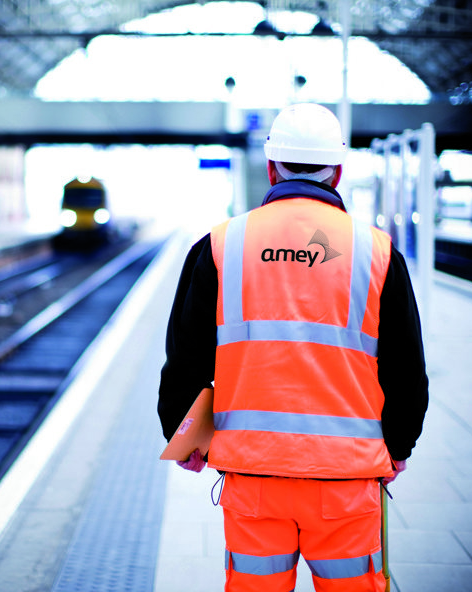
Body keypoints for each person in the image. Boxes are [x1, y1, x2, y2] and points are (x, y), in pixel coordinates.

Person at [158, 103, 428, 592]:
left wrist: (185, 435)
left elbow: (185, 357)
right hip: (348, 482)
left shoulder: (221, 245)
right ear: (339, 171)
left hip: (253, 478)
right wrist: (401, 443)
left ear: (270, 166)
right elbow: (407, 365)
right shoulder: (377, 251)